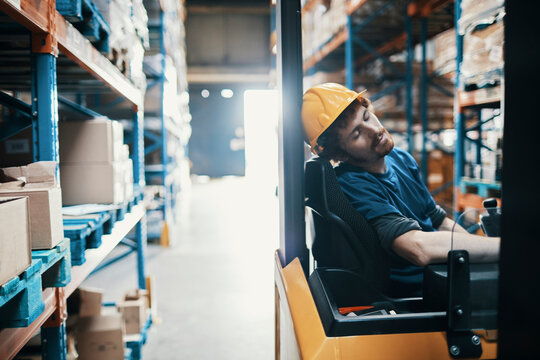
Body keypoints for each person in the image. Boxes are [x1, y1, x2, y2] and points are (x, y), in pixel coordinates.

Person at [301, 83, 500, 297]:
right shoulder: (352, 184)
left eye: (367, 117)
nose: (375, 131)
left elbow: (438, 221)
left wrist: (487, 249)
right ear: (339, 154)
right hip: (416, 296)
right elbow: (417, 248)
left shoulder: (401, 159)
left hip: (442, 275)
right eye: (357, 134)